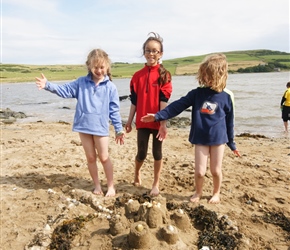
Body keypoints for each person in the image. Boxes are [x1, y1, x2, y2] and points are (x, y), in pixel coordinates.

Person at [141, 53, 241, 204]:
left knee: (215, 170)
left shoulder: (227, 96)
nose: (206, 79)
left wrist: (232, 143)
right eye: (205, 75)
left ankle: (216, 193)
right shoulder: (197, 94)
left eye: (210, 75)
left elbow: (229, 122)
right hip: (200, 138)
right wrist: (158, 116)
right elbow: (177, 106)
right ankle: (198, 192)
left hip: (219, 139)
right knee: (200, 171)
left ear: (220, 75)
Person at [35, 48, 125, 197]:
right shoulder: (81, 82)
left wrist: (118, 129)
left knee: (104, 157)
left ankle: (110, 186)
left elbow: (114, 110)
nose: (99, 70)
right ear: (89, 66)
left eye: (102, 67)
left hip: (100, 127)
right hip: (83, 126)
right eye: (95, 67)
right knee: (90, 157)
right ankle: (97, 185)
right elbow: (64, 90)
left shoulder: (111, 87)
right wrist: (48, 85)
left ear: (107, 67)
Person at [125, 32, 173, 196]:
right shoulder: (137, 76)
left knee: (157, 153)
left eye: (155, 51)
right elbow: (134, 101)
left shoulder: (164, 75)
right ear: (144, 52)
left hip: (157, 121)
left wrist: (163, 124)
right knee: (142, 153)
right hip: (142, 122)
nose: (151, 54)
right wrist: (129, 121)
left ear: (160, 54)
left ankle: (155, 183)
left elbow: (163, 100)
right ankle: (137, 173)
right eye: (148, 50)